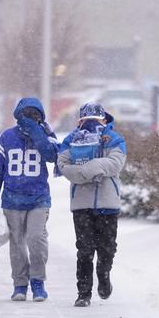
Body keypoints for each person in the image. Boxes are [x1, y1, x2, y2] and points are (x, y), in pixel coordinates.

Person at [0, 97, 59, 302]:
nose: (30, 118)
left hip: (39, 199)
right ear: (18, 116)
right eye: (26, 114)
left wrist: (37, 132)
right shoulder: (8, 137)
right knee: (17, 244)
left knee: (36, 239)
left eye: (34, 115)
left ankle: (38, 281)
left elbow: (52, 156)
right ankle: (20, 283)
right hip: (12, 199)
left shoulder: (46, 135)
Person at [56, 102, 126, 307]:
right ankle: (83, 293)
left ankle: (104, 276)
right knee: (84, 250)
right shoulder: (71, 140)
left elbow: (116, 163)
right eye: (86, 121)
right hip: (81, 203)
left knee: (107, 248)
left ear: (104, 120)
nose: (90, 125)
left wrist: (91, 168)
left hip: (108, 202)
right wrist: (83, 174)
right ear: (79, 122)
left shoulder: (114, 139)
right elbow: (62, 164)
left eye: (95, 121)